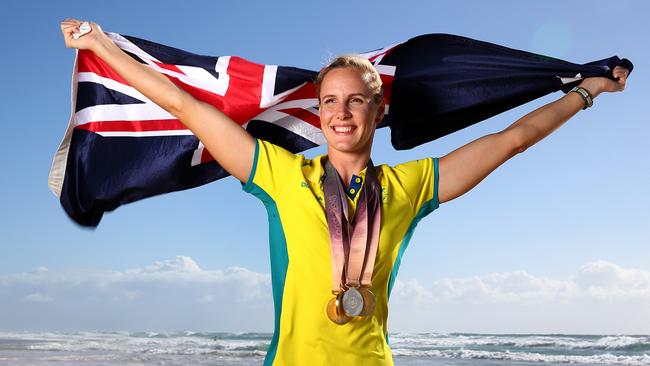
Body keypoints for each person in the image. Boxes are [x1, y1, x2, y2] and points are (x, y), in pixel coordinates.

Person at [60, 19, 629, 366]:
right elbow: (186, 105)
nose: (340, 111)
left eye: (356, 99)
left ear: (378, 109)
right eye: (329, 100)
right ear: (318, 111)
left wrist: (586, 92)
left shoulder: (410, 186)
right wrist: (104, 47)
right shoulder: (280, 176)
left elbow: (512, 140)